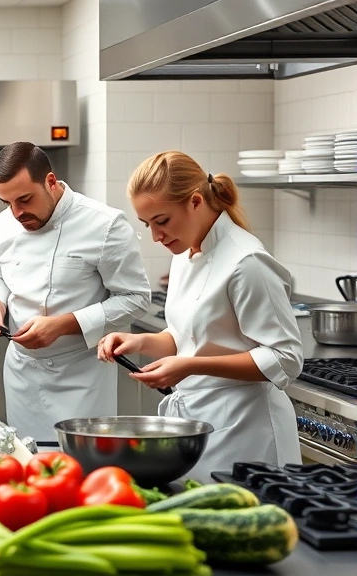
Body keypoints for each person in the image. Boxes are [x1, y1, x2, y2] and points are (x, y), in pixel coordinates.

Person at [98, 151, 303, 481]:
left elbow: (285, 359)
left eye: (162, 221)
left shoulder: (246, 261)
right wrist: (140, 341)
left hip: (247, 434)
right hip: (198, 427)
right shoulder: (185, 250)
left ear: (195, 202)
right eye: (147, 225)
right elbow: (189, 337)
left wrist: (189, 366)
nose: (156, 236)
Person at [0, 142, 151, 441]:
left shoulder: (105, 224)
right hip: (21, 372)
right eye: (6, 203)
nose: (17, 213)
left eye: (25, 199)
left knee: (83, 465)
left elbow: (136, 299)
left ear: (50, 181)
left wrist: (63, 324)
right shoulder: (6, 221)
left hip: (81, 376)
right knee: (28, 461)